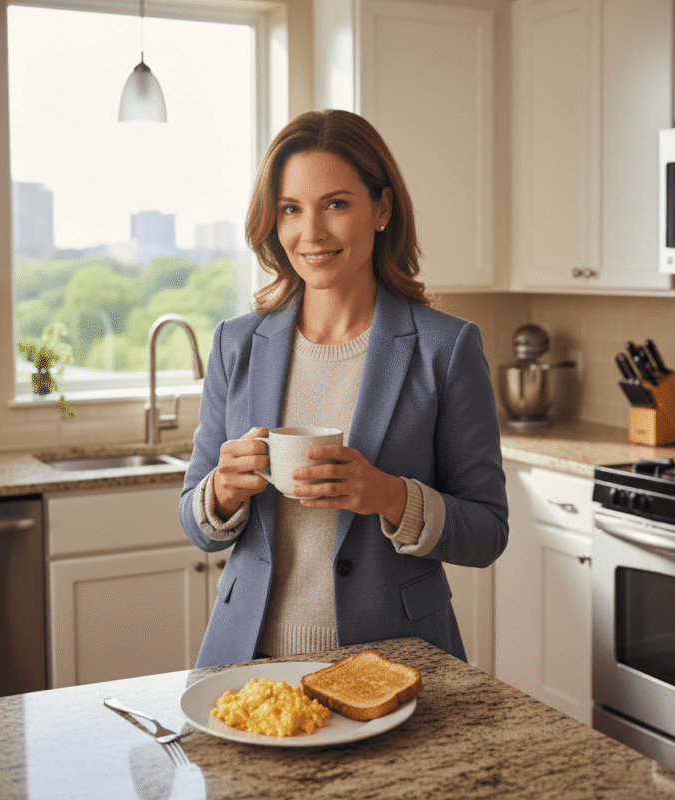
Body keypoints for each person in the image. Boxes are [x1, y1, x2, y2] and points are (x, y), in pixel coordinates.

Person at [179, 109, 508, 669]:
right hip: (247, 662)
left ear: (381, 209)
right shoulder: (236, 344)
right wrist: (223, 491)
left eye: (335, 203)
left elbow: (487, 531)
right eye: (290, 209)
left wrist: (386, 495)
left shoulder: (445, 348)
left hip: (397, 663)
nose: (311, 233)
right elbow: (195, 519)